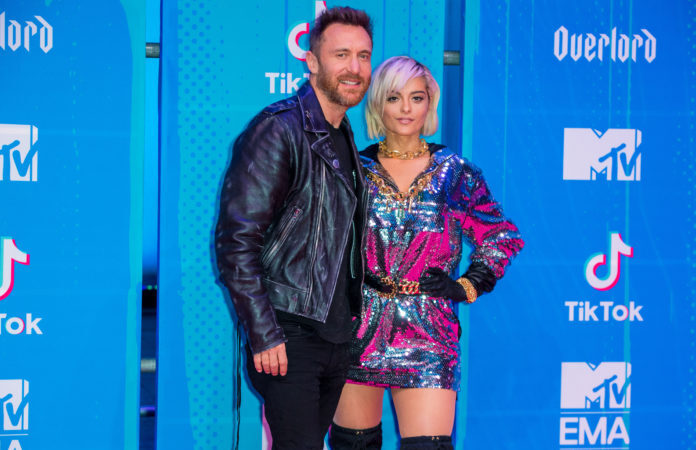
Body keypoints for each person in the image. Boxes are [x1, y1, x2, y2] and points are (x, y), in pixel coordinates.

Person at [328, 56, 525, 449]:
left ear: (429, 103)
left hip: (429, 331)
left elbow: (501, 235)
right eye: (394, 98)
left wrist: (466, 285)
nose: (405, 108)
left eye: (416, 98)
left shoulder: (456, 173)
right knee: (353, 445)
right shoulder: (352, 170)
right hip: (357, 328)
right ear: (378, 104)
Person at [214, 7, 373, 449]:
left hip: (334, 337)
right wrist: (265, 334)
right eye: (341, 54)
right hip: (288, 335)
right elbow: (236, 244)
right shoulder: (278, 129)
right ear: (313, 61)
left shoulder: (343, 134)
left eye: (363, 56)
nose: (354, 67)